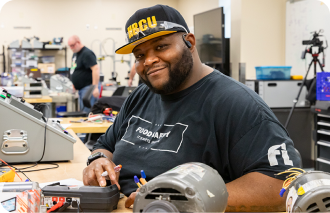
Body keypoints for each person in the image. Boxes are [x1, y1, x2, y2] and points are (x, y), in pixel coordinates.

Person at [83, 5, 301, 212]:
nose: (148, 60)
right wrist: (98, 161)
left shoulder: (236, 103)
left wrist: (182, 199)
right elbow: (105, 144)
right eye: (140, 55)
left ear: (189, 42)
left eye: (161, 47)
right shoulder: (141, 95)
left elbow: (284, 184)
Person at [68, 35, 100, 113]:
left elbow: (95, 69)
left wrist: (95, 87)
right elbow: (74, 69)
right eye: (70, 46)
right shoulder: (75, 54)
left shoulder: (87, 53)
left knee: (88, 112)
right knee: (83, 112)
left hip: (88, 87)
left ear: (78, 42)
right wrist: (74, 84)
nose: (71, 48)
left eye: (72, 45)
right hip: (81, 89)